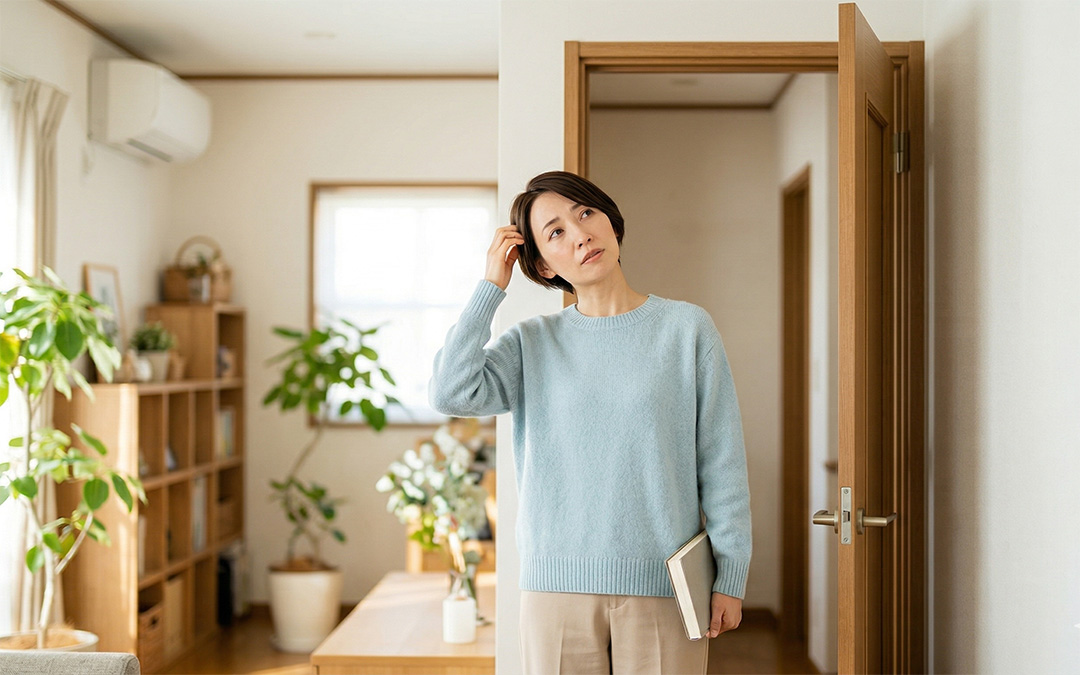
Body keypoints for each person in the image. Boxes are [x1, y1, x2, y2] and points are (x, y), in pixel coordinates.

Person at [429, 171, 752, 674]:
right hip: (555, 591)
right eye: (555, 231)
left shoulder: (687, 330)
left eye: (585, 213)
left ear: (611, 222)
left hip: (665, 588)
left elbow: (722, 460)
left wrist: (731, 574)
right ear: (539, 263)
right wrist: (490, 287)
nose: (579, 234)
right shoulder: (530, 343)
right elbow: (451, 390)